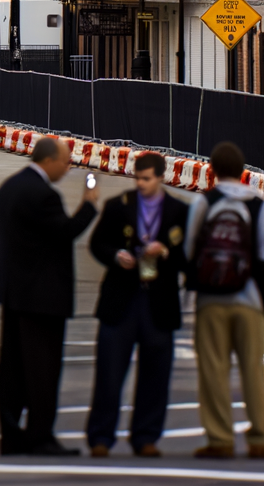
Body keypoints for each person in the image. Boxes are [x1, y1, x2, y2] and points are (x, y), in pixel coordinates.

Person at [0, 136, 99, 456]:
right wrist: (89, 205)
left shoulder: (9, 187)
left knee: (12, 367)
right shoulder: (43, 195)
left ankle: (10, 434)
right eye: (66, 162)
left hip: (14, 293)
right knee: (42, 369)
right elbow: (66, 232)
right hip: (43, 297)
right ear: (48, 160)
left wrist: (13, 273)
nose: (68, 168)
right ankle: (40, 436)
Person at [86, 151, 188, 457]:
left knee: (156, 374)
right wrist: (117, 256)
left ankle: (146, 437)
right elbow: (97, 243)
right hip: (123, 298)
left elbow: (188, 257)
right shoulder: (119, 206)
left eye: (146, 179)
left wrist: (166, 253)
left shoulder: (179, 211)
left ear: (160, 177)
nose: (141, 184)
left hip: (159, 300)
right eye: (137, 178)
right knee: (109, 371)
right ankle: (101, 437)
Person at [185, 141, 264, 459]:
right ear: (243, 170)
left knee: (214, 368)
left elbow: (190, 249)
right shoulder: (258, 204)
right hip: (250, 299)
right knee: (253, 369)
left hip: (211, 299)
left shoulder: (205, 203)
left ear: (213, 170)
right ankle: (260, 435)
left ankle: (220, 438)